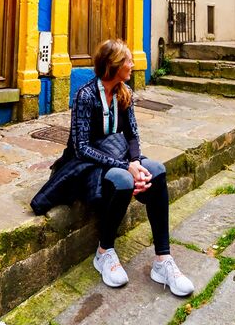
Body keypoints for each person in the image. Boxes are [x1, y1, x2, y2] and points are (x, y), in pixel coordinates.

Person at [30, 39, 194, 296]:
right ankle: (104, 252)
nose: (132, 64)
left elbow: (132, 136)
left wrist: (137, 163)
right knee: (123, 180)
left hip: (119, 156)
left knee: (157, 171)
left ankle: (163, 261)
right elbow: (81, 147)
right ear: (113, 64)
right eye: (128, 60)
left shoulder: (124, 91)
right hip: (88, 164)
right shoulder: (85, 96)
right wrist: (125, 167)